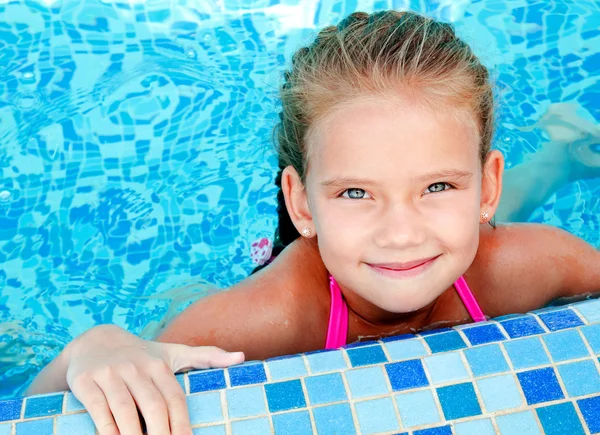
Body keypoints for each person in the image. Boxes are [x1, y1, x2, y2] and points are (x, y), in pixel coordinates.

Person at [26, 10, 600, 435]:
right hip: (295, 273)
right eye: (355, 192)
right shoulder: (266, 317)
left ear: (486, 183)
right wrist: (93, 349)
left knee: (485, 235)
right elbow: (42, 408)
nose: (399, 232)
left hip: (482, 243)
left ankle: (555, 160)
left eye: (438, 185)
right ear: (302, 204)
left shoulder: (534, 261)